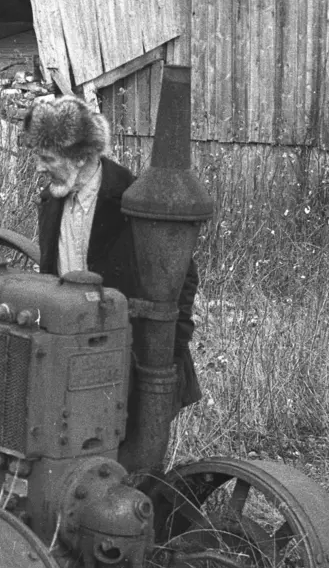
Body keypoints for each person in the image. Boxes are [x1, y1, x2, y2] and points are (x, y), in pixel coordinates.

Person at [20, 96, 202, 412]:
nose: (38, 167)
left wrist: (165, 356)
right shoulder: (53, 200)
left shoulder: (134, 200)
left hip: (129, 359)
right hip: (74, 351)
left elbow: (182, 279)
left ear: (79, 157)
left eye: (47, 158)